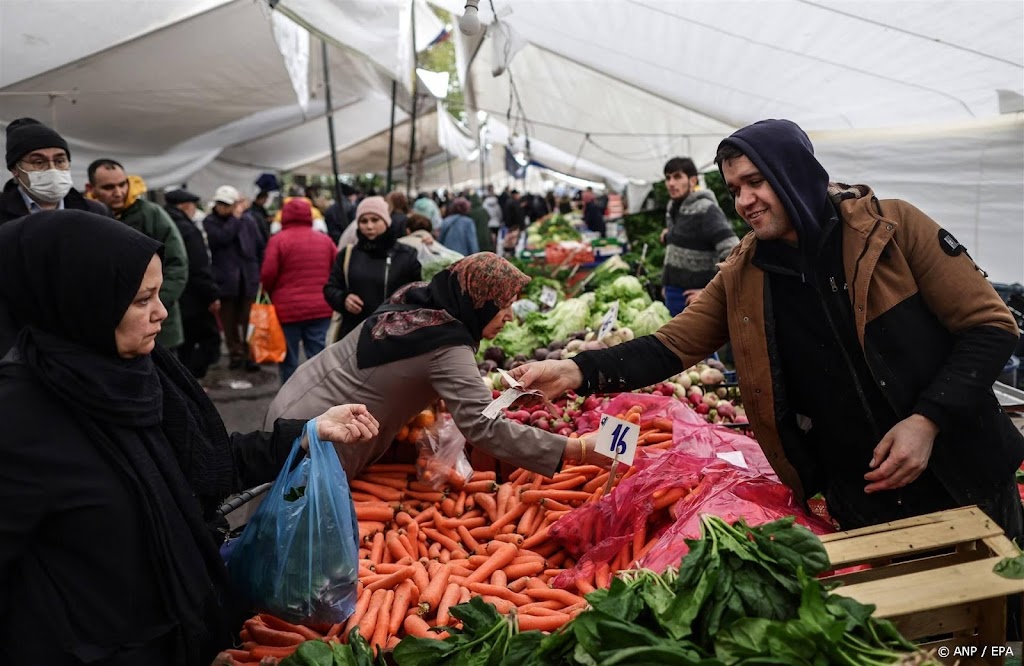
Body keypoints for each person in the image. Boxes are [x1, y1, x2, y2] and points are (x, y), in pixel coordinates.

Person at [510, 119, 1024, 542]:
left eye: (757, 181)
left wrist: (926, 421)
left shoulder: (894, 229)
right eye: (735, 189)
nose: (745, 200)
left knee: (1000, 632)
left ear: (795, 173)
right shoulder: (744, 275)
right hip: (867, 499)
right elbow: (671, 346)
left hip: (966, 470)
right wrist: (577, 368)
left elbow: (991, 326)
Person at [0, 209, 381, 665]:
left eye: (159, 294)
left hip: (183, 631)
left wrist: (308, 433)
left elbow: (207, 467)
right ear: (81, 302)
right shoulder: (19, 418)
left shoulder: (140, 375)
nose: (162, 311)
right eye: (143, 299)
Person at [267, 253, 606, 479]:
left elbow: (403, 366)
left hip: (300, 399)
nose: (510, 316)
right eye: (504, 305)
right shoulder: (448, 345)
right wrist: (575, 449)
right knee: (284, 538)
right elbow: (485, 429)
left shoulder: (420, 298)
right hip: (319, 434)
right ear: (479, 301)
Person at [87, 160, 189, 351]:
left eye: (122, 184)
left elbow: (177, 266)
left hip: (159, 331)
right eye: (108, 187)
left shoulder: (152, 215)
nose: (118, 192)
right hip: (111, 330)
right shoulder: (87, 219)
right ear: (91, 188)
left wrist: (148, 306)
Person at [323, 196, 421, 343]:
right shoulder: (347, 255)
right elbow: (331, 288)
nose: (369, 226)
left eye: (375, 220)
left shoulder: (406, 255)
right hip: (353, 338)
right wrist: (344, 299)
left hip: (395, 340)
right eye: (363, 221)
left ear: (386, 222)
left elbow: (418, 294)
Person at [261, 198, 338, 383]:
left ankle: (289, 403)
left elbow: (267, 274)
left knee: (289, 358)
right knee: (317, 358)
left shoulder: (278, 240)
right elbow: (337, 269)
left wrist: (268, 293)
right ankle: (318, 399)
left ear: (284, 216)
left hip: (286, 310)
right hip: (320, 307)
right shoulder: (325, 240)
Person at [659, 156, 739, 316]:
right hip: (673, 295)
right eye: (668, 178)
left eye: (677, 176)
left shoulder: (706, 210)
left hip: (694, 300)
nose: (671, 183)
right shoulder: (673, 207)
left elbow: (733, 253)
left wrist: (709, 292)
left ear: (693, 180)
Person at [1, 118, 111, 223]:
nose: (52, 169)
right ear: (15, 169)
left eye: (59, 161)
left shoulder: (96, 212)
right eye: (39, 162)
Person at [203, 185, 265, 371]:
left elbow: (259, 245)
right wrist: (236, 220)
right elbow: (221, 238)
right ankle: (235, 353)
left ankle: (249, 354)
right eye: (221, 204)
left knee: (248, 320)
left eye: (227, 204)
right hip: (225, 280)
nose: (224, 207)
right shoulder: (211, 221)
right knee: (229, 321)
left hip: (247, 277)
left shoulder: (249, 220)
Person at [164, 189, 222, 379]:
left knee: (184, 344)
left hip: (174, 297)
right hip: (194, 297)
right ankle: (191, 380)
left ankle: (184, 379)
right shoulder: (188, 229)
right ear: (186, 206)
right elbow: (199, 266)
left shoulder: (163, 225)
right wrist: (211, 295)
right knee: (210, 339)